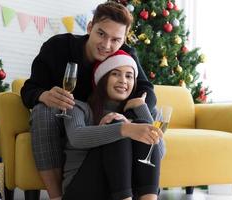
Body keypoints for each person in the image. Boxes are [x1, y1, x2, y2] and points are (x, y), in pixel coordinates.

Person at [20, 2, 157, 199]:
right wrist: (43, 95)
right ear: (90, 27)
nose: (107, 45)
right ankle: (57, 196)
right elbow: (29, 89)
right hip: (69, 115)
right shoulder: (58, 47)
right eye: (101, 34)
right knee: (43, 110)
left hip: (106, 117)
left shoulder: (126, 54)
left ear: (124, 39)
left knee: (138, 116)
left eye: (116, 39)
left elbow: (146, 91)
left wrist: (125, 117)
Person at [62, 50, 165, 200]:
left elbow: (158, 153)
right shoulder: (78, 107)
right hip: (83, 188)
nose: (123, 80)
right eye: (115, 74)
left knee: (139, 126)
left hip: (127, 190)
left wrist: (141, 109)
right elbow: (77, 137)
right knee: (118, 126)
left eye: (129, 76)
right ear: (103, 78)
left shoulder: (144, 111)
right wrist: (123, 128)